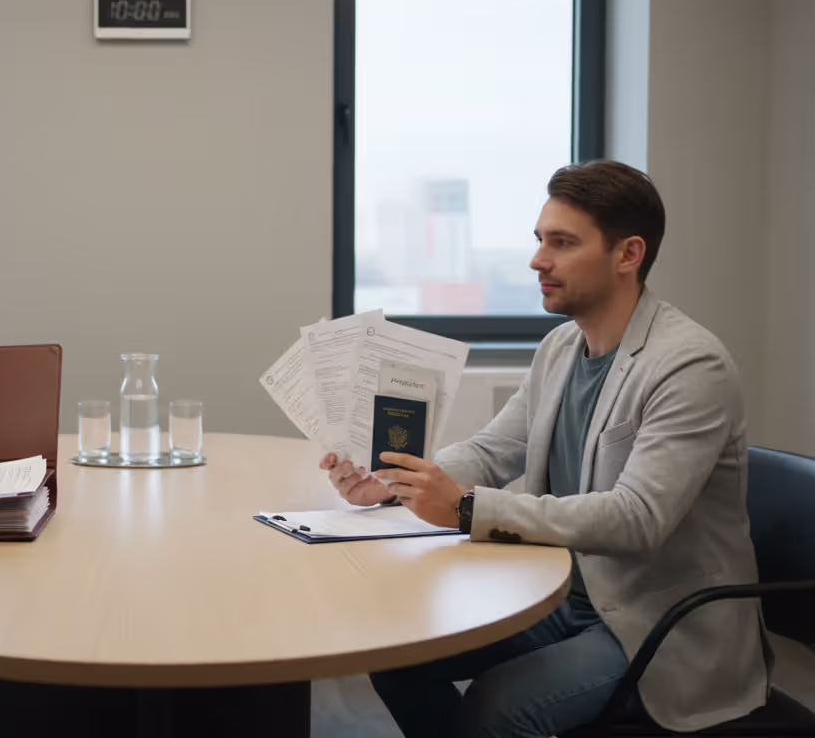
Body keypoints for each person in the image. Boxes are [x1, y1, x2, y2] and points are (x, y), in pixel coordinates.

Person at [321, 160, 770, 737]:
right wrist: (396, 482)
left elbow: (637, 518)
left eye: (562, 243)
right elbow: (492, 449)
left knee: (499, 705)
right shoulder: (561, 347)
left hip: (653, 622)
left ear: (628, 255)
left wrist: (464, 508)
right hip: (561, 596)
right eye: (540, 240)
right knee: (395, 654)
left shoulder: (690, 366)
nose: (537, 260)